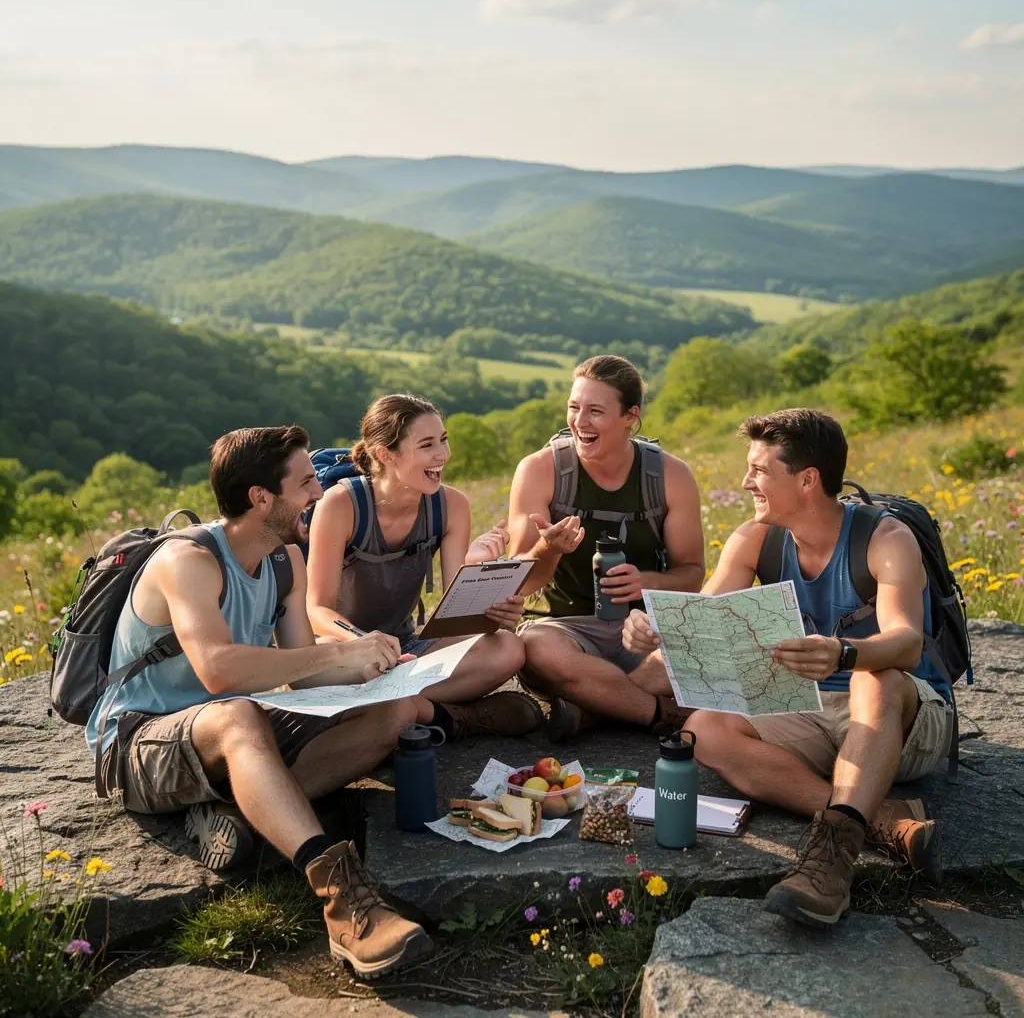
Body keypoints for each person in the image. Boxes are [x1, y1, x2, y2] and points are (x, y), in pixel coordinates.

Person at [85, 425, 434, 977]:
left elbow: (302, 674)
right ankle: (337, 891)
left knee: (394, 713)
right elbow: (219, 670)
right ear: (261, 497)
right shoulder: (188, 561)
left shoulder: (282, 560)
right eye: (305, 483)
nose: (319, 493)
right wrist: (327, 657)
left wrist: (370, 668)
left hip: (222, 730)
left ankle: (241, 815)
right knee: (239, 714)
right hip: (136, 741)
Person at [621, 408, 954, 929]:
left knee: (876, 677)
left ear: (806, 480)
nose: (745, 481)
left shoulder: (885, 540)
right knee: (705, 729)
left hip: (904, 714)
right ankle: (879, 820)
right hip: (814, 707)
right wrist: (651, 631)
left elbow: (906, 644)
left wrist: (843, 652)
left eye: (758, 470)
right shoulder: (756, 538)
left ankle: (829, 864)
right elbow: (701, 622)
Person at [306, 394, 540, 741]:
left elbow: (455, 612)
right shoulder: (340, 505)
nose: (442, 455)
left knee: (508, 648)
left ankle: (393, 708)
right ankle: (451, 716)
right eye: (427, 445)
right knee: (331, 663)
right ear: (385, 454)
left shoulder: (452, 505)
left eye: (443, 440)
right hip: (344, 649)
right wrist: (364, 642)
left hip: (406, 652)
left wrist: (494, 611)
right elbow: (317, 608)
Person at [507, 355, 705, 741]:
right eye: (574, 407)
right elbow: (523, 583)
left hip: (644, 629)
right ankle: (658, 714)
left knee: (701, 655)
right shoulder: (539, 469)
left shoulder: (671, 475)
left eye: (595, 411)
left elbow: (693, 573)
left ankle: (593, 708)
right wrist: (548, 550)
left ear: (630, 416)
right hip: (561, 629)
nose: (580, 422)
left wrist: (645, 583)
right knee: (534, 650)